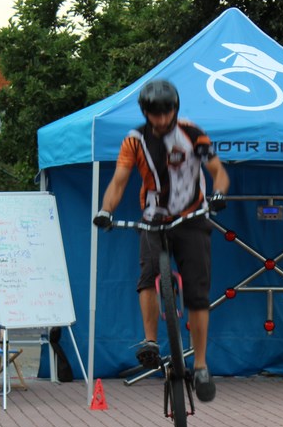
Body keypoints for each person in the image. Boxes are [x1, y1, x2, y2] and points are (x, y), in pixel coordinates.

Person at [93, 79, 230, 402]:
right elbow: (119, 181)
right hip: (154, 219)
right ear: (146, 113)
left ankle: (200, 365)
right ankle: (151, 341)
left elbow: (218, 171)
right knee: (148, 274)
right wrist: (105, 210)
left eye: (167, 112)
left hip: (191, 218)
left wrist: (219, 193)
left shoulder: (193, 133)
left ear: (175, 109)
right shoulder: (134, 140)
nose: (162, 118)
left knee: (197, 292)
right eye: (155, 113)